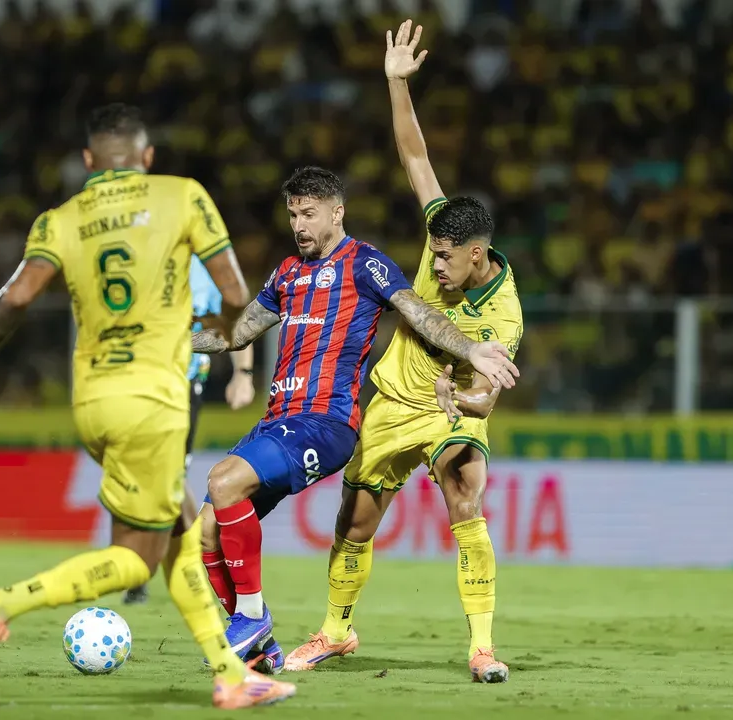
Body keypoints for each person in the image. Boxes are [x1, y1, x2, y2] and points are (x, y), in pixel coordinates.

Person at [0, 103, 296, 709]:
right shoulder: (182, 195)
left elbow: (17, 296)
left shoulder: (61, 217)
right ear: (148, 156)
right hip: (153, 399)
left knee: (181, 530)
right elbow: (236, 291)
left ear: (89, 160)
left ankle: (231, 675)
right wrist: (223, 332)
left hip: (93, 400)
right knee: (137, 560)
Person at [191, 165, 520, 672]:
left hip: (325, 421)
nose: (298, 225)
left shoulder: (366, 264)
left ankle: (254, 618)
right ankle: (261, 647)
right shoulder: (286, 273)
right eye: (292, 214)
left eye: (309, 213)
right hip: (281, 419)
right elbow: (236, 332)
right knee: (206, 532)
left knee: (222, 480)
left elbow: (420, 313)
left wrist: (471, 350)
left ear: (337, 212)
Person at [283, 21, 524, 684]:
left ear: (477, 254)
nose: (434, 266)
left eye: (445, 259)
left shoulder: (503, 315)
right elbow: (416, 157)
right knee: (354, 523)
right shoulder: (443, 230)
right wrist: (396, 84)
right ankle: (336, 632)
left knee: (466, 494)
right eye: (432, 254)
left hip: (450, 413)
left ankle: (482, 648)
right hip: (391, 401)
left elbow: (487, 399)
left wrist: (460, 399)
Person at [122, 255, 255, 606]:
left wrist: (242, 375)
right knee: (147, 480)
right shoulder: (135, 258)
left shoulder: (204, 270)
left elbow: (235, 323)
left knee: (168, 478)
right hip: (136, 386)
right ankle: (160, 559)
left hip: (180, 386)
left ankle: (185, 557)